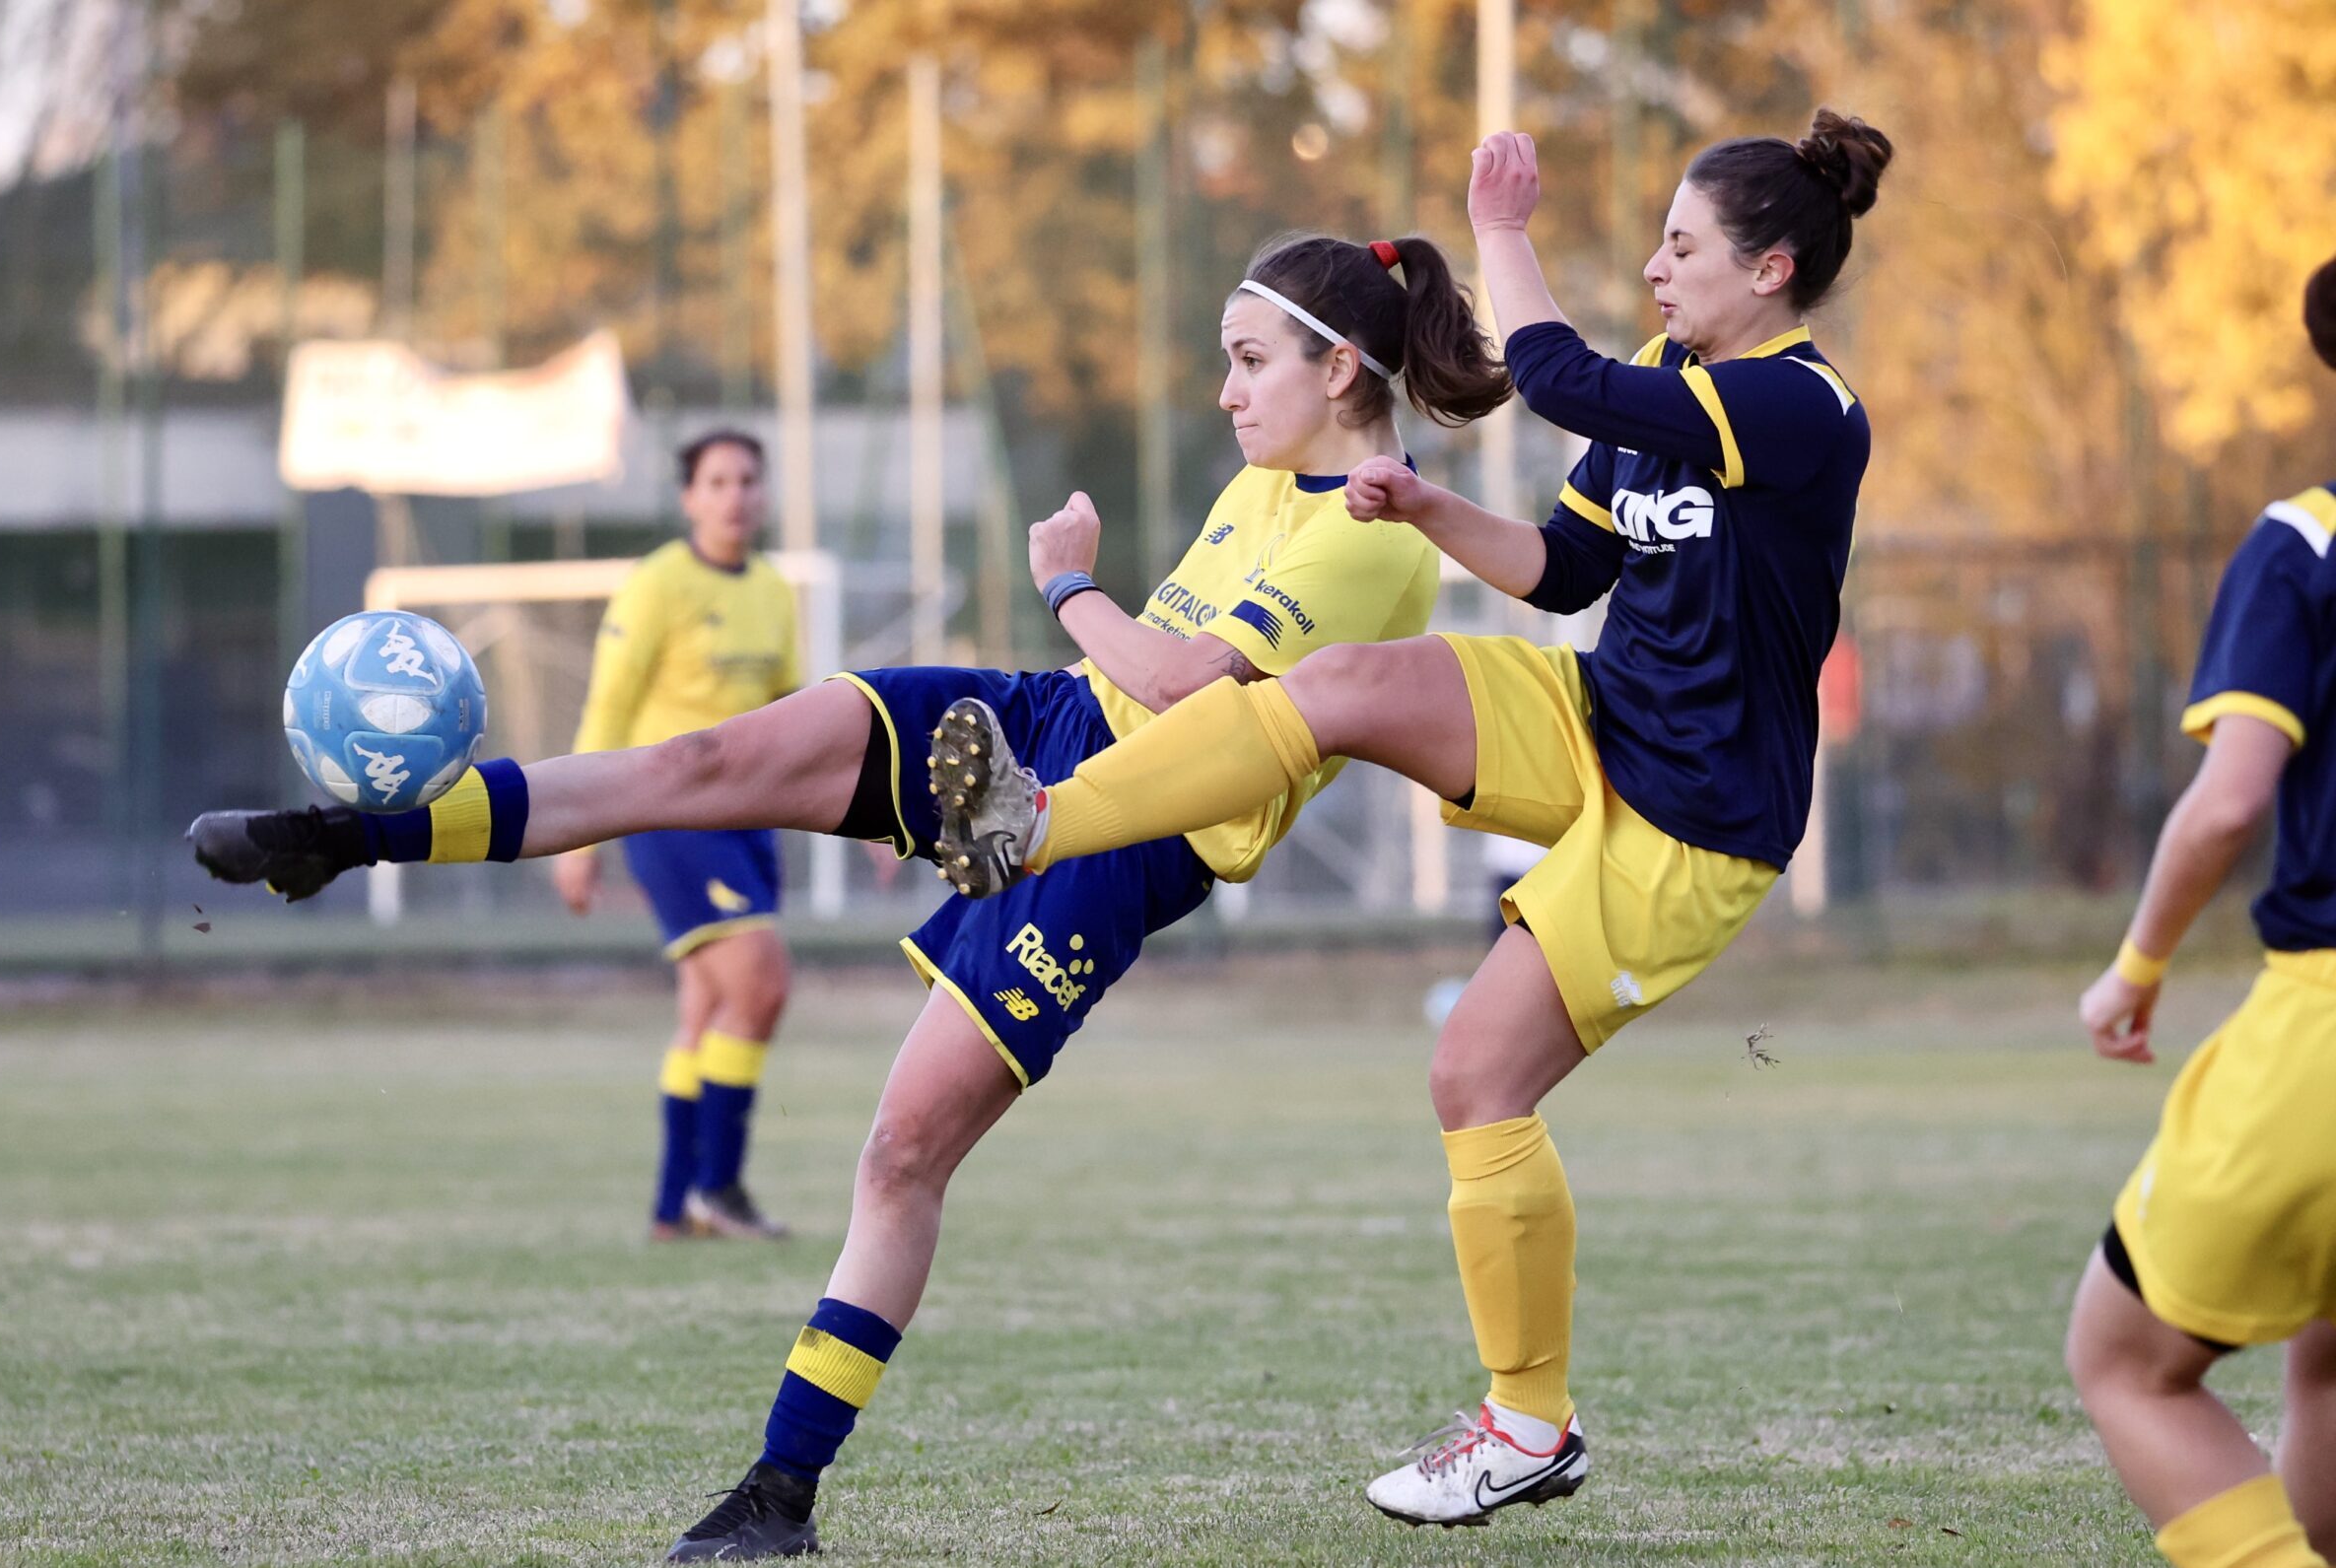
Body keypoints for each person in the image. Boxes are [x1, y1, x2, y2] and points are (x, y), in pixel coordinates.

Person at [188, 227, 1512, 1559]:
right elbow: (1141, 668)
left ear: (1341, 367)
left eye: (1247, 360)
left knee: (899, 1152)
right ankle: (350, 833)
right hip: (1038, 718)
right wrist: (1074, 627)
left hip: (1121, 835)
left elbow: (1180, 687)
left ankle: (779, 1495)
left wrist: (1068, 578)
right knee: (703, 759)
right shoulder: (1266, 481)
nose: (1225, 389)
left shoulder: (1375, 528)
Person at [932, 111, 1890, 1529]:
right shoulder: (1678, 378)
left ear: (1775, 265)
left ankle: (1527, 1422)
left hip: (1698, 816)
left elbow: (1552, 373)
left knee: (1471, 1079)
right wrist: (1427, 508)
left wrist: (1499, 221)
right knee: (1340, 685)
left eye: (1683, 245)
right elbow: (1566, 570)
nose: (1657, 265)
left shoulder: (1801, 407)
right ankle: (1036, 820)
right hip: (1600, 719)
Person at [2063, 254, 2336, 1568]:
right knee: (2326, 1351)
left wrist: (2137, 964)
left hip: (2325, 1028)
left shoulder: (2308, 540)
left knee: (2125, 1357)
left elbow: (2229, 804)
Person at [561, 430, 802, 1242]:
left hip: (749, 821)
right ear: (689, 498)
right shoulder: (657, 583)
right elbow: (609, 706)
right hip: (672, 816)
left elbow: (799, 714)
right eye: (717, 481)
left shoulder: (773, 589)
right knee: (761, 984)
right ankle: (719, 1190)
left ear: (763, 495)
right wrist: (577, 837)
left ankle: (675, 1206)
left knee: (705, 1008)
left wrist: (874, 822)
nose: (735, 495)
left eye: (747, 480)